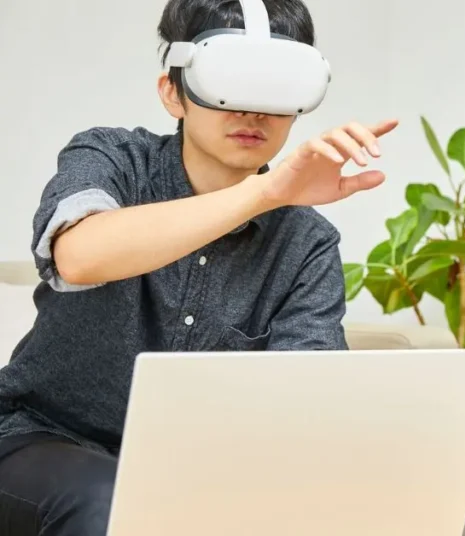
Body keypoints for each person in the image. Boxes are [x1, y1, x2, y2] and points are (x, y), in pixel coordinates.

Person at [0, 0, 395, 534]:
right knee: (110, 503)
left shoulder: (308, 243)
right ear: (173, 92)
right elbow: (79, 256)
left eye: (275, 88)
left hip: (196, 471)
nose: (252, 112)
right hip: (39, 438)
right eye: (230, 81)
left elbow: (305, 399)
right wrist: (265, 192)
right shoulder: (112, 158)